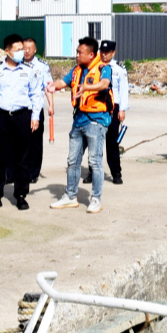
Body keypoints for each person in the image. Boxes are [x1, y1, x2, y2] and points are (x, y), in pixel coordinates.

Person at [46, 36, 112, 214]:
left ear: (91, 54)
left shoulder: (103, 68)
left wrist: (87, 88)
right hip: (79, 120)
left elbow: (104, 84)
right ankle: (70, 196)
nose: (76, 55)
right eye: (76, 51)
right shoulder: (76, 70)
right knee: (72, 161)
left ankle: (96, 199)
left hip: (96, 121)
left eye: (79, 52)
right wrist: (54, 86)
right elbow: (64, 82)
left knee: (94, 161)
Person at [0, 34, 42, 210]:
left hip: (23, 116)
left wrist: (35, 116)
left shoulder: (29, 70)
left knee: (22, 158)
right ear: (7, 51)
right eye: (18, 50)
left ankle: (21, 195)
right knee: (0, 158)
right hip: (1, 116)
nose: (22, 52)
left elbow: (36, 94)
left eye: (23, 49)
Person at [21, 37, 49, 184]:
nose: (27, 51)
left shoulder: (42, 66)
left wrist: (51, 105)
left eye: (29, 48)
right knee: (18, 142)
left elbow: (48, 87)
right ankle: (14, 172)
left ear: (35, 50)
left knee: (35, 142)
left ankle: (33, 172)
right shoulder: (16, 63)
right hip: (21, 109)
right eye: (24, 48)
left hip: (36, 109)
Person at [99, 39, 127, 185]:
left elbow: (123, 91)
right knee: (95, 141)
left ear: (113, 53)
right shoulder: (94, 68)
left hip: (113, 107)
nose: (104, 55)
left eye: (107, 52)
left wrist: (122, 109)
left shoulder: (118, 69)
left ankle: (116, 172)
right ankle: (93, 172)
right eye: (102, 52)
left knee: (112, 141)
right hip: (97, 106)